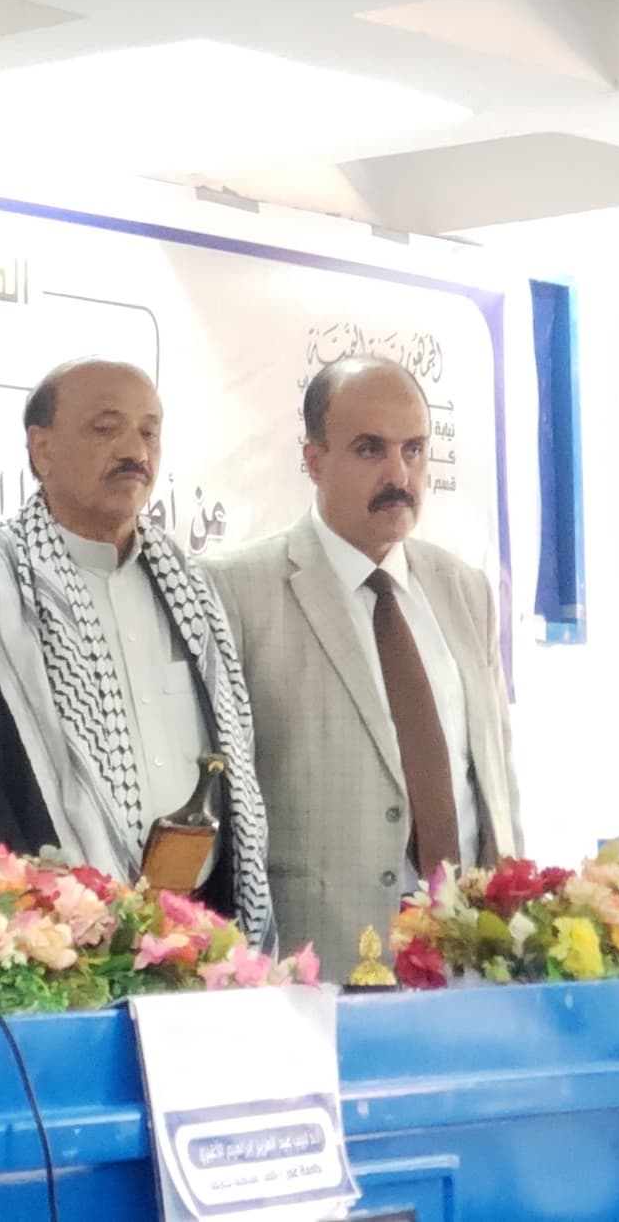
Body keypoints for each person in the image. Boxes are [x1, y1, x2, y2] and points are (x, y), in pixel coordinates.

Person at [0, 358, 269, 940]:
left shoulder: (192, 588)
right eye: (106, 428)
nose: (135, 451)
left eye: (149, 431)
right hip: (51, 935)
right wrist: (40, 924)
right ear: (41, 450)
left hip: (200, 925)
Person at [208, 357, 521, 974]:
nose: (398, 474)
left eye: (414, 450)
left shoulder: (465, 590)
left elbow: (496, 782)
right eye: (370, 449)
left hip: (468, 960)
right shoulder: (236, 592)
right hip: (314, 966)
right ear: (314, 459)